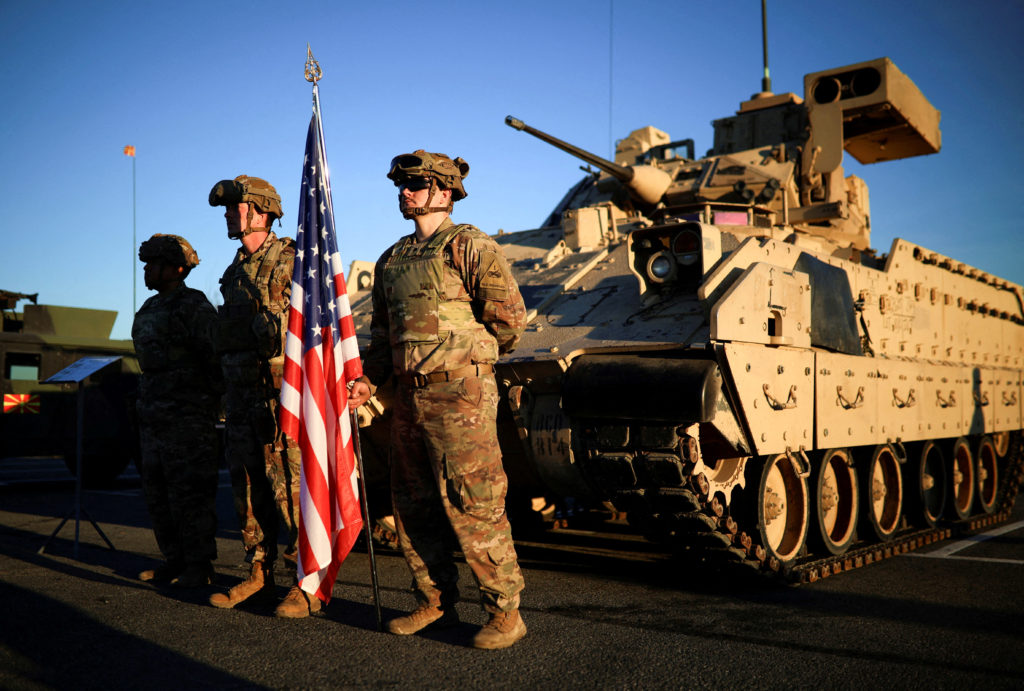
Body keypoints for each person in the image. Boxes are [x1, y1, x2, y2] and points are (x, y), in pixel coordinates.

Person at [347, 150, 529, 649]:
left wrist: (465, 358)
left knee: (475, 503)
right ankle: (434, 601)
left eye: (415, 184)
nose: (404, 192)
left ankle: (504, 612)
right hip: (407, 397)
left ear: (444, 192)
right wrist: (370, 379)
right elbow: (383, 334)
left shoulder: (470, 246)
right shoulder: (392, 259)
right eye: (401, 185)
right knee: (414, 504)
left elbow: (510, 321)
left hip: (460, 395)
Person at [206, 175, 317, 618]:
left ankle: (304, 582)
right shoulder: (233, 273)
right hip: (240, 397)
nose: (232, 215)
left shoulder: (292, 260)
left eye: (239, 207)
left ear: (263, 211)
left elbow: (308, 328)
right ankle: (258, 570)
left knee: (289, 489)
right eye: (229, 209)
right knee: (247, 488)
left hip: (279, 400)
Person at [132, 233, 221, 588]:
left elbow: (214, 358)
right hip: (154, 416)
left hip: (188, 417)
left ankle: (199, 565)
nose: (147, 271)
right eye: (146, 265)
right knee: (158, 492)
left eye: (153, 264)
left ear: (176, 269)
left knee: (191, 493)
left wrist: (207, 404)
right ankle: (174, 559)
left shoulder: (194, 305)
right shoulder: (150, 309)